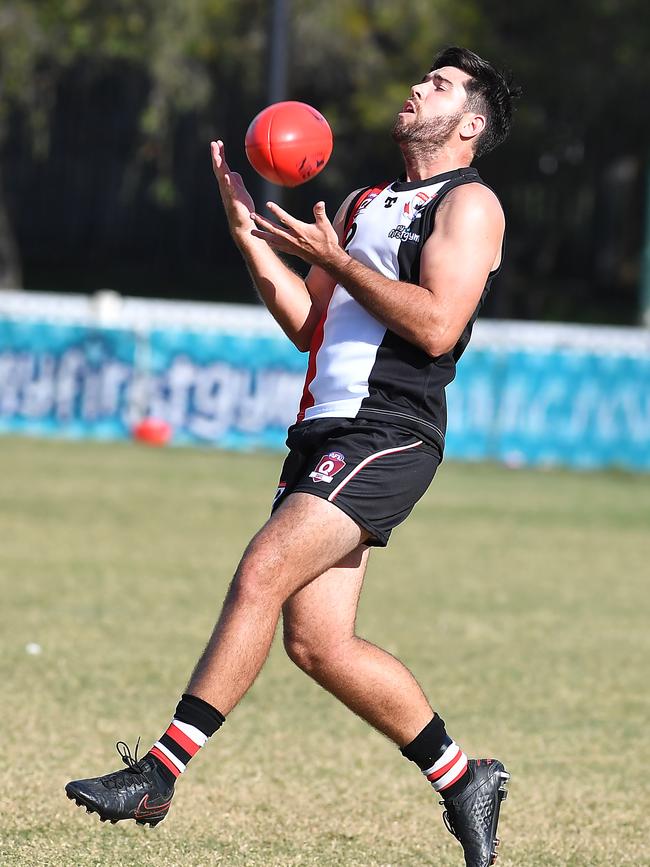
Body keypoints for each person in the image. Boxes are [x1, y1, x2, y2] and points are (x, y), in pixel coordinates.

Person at [66, 46, 519, 867]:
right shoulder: (362, 201)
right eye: (426, 79)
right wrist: (249, 236)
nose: (420, 89)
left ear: (473, 124)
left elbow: (437, 326)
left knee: (260, 571)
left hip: (391, 428)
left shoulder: (469, 203)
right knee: (318, 643)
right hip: (323, 430)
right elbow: (313, 325)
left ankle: (158, 774)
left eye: (442, 86)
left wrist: (341, 261)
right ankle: (465, 778)